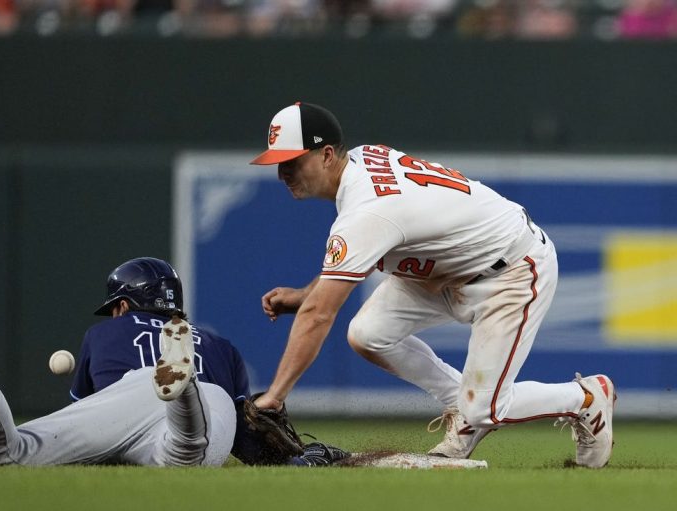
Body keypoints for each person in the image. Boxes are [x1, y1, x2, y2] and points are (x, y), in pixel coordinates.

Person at [249, 102, 616, 468]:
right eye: (279, 163)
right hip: (442, 271)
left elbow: (318, 315)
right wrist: (305, 293)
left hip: (509, 270)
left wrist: (276, 395)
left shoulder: (367, 210)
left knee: (486, 409)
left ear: (327, 154)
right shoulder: (361, 162)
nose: (284, 172)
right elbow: (347, 259)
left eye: (293, 160)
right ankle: (461, 407)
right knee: (367, 334)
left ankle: (584, 398)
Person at [0, 256, 347, 467]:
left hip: (126, 396)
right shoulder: (220, 345)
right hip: (202, 401)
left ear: (124, 305)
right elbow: (246, 445)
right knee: (185, 454)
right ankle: (182, 383)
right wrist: (293, 460)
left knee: (3, 455)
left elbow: (92, 417)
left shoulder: (103, 334)